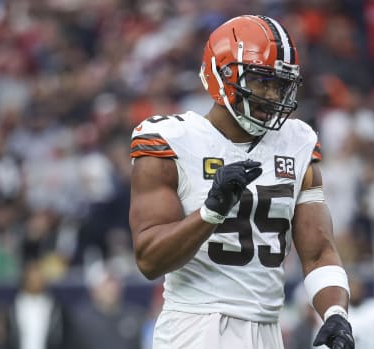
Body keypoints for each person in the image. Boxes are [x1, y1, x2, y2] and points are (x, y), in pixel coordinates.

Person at [129, 15, 354, 349]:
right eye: (261, 81)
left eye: (280, 84)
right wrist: (211, 211)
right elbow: (149, 259)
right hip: (195, 326)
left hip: (267, 327)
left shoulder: (298, 141)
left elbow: (319, 252)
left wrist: (335, 313)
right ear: (221, 75)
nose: (271, 95)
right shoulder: (170, 139)